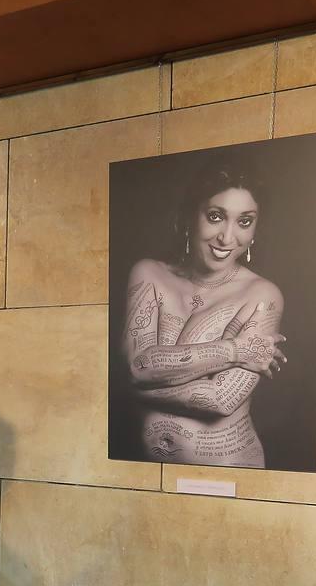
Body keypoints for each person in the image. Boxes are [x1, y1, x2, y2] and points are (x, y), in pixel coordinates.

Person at [120, 157, 288, 468]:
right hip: (146, 479)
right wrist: (236, 350)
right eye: (215, 216)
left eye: (244, 221)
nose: (227, 237)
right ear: (189, 215)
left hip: (231, 471)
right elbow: (136, 367)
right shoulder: (148, 275)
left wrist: (130, 388)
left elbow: (218, 399)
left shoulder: (263, 296)